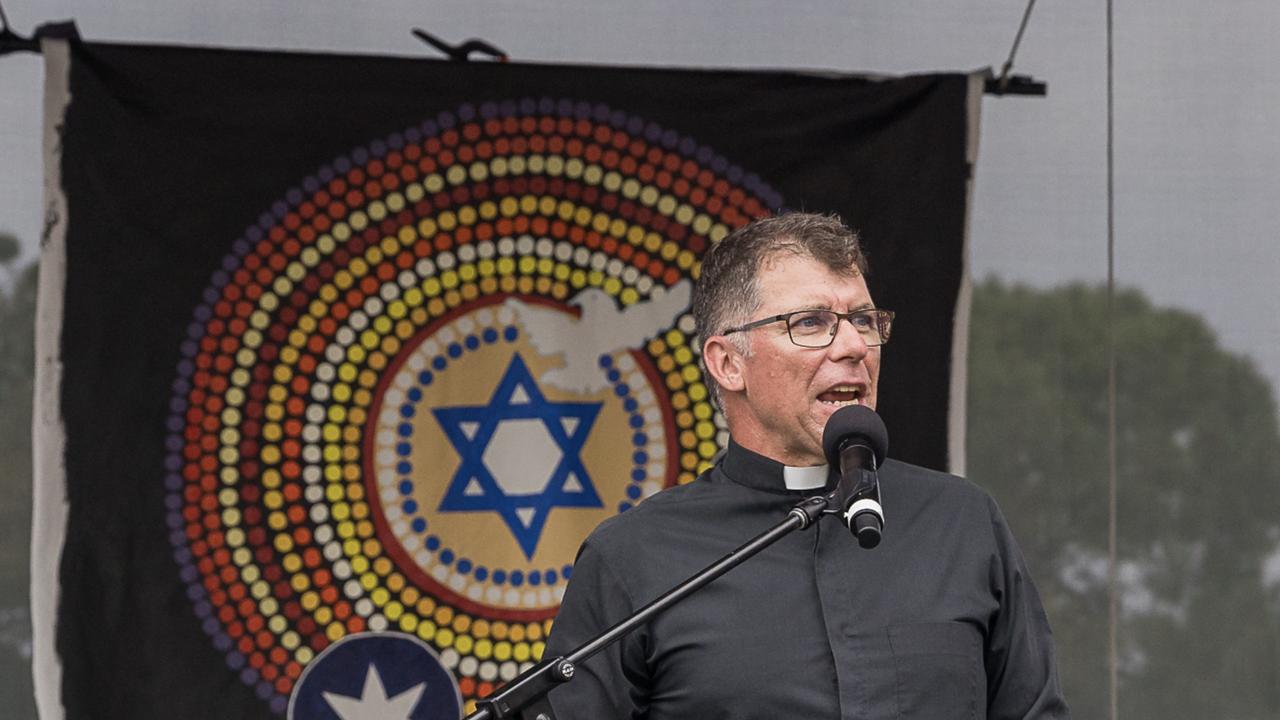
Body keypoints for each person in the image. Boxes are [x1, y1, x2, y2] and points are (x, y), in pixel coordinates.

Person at [543, 212, 1069, 719]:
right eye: (810, 323)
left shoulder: (963, 523)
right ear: (728, 363)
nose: (853, 346)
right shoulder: (633, 558)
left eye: (863, 320)